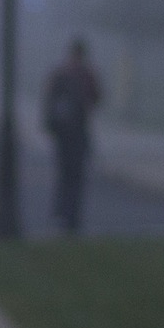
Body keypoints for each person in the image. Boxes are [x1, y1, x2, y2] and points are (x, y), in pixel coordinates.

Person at [41, 38, 104, 234]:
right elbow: (96, 98)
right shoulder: (85, 75)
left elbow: (49, 100)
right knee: (74, 175)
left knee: (66, 174)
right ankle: (70, 214)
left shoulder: (61, 73)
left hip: (66, 134)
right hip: (76, 133)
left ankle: (64, 212)